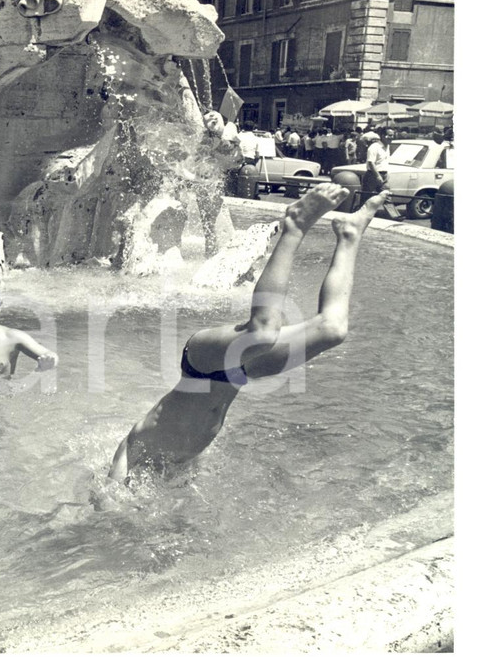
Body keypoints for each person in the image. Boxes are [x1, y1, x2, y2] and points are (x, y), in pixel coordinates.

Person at [109, 184, 389, 482]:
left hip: (201, 366)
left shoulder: (130, 454)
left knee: (263, 332)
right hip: (236, 374)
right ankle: (350, 234)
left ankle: (294, 224)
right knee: (332, 329)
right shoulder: (171, 470)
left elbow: (108, 493)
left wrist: (107, 503)